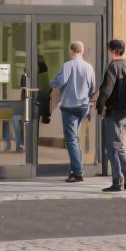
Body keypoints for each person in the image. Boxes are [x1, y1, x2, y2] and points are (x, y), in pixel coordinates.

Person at [95, 38, 126, 193]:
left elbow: (107, 89)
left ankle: (116, 181)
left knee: (112, 147)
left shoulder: (113, 67)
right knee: (119, 144)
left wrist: (100, 107)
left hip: (114, 112)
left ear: (111, 50)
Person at [48, 41, 96, 183]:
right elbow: (92, 88)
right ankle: (75, 169)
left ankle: (78, 172)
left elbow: (58, 82)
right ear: (81, 51)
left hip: (70, 107)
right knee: (74, 138)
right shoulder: (89, 67)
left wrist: (49, 84)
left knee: (71, 139)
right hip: (83, 107)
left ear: (71, 51)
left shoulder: (68, 66)